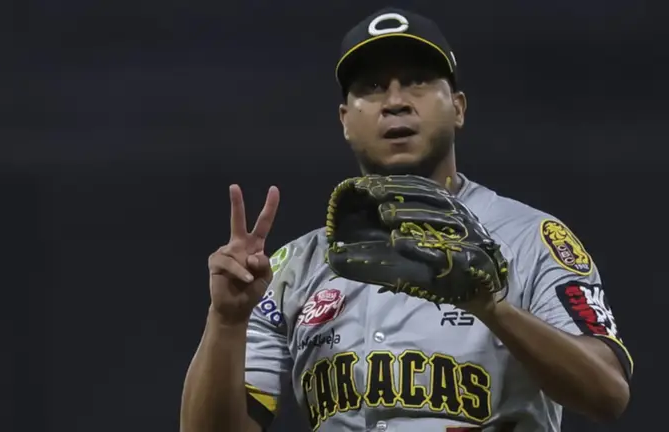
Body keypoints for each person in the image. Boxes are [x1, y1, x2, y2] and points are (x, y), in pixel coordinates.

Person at [180, 7, 632, 432]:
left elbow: (608, 393)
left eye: (417, 81)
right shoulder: (292, 268)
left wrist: (495, 311)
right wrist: (226, 321)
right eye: (372, 87)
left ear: (458, 107)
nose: (395, 101)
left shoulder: (529, 237)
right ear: (345, 120)